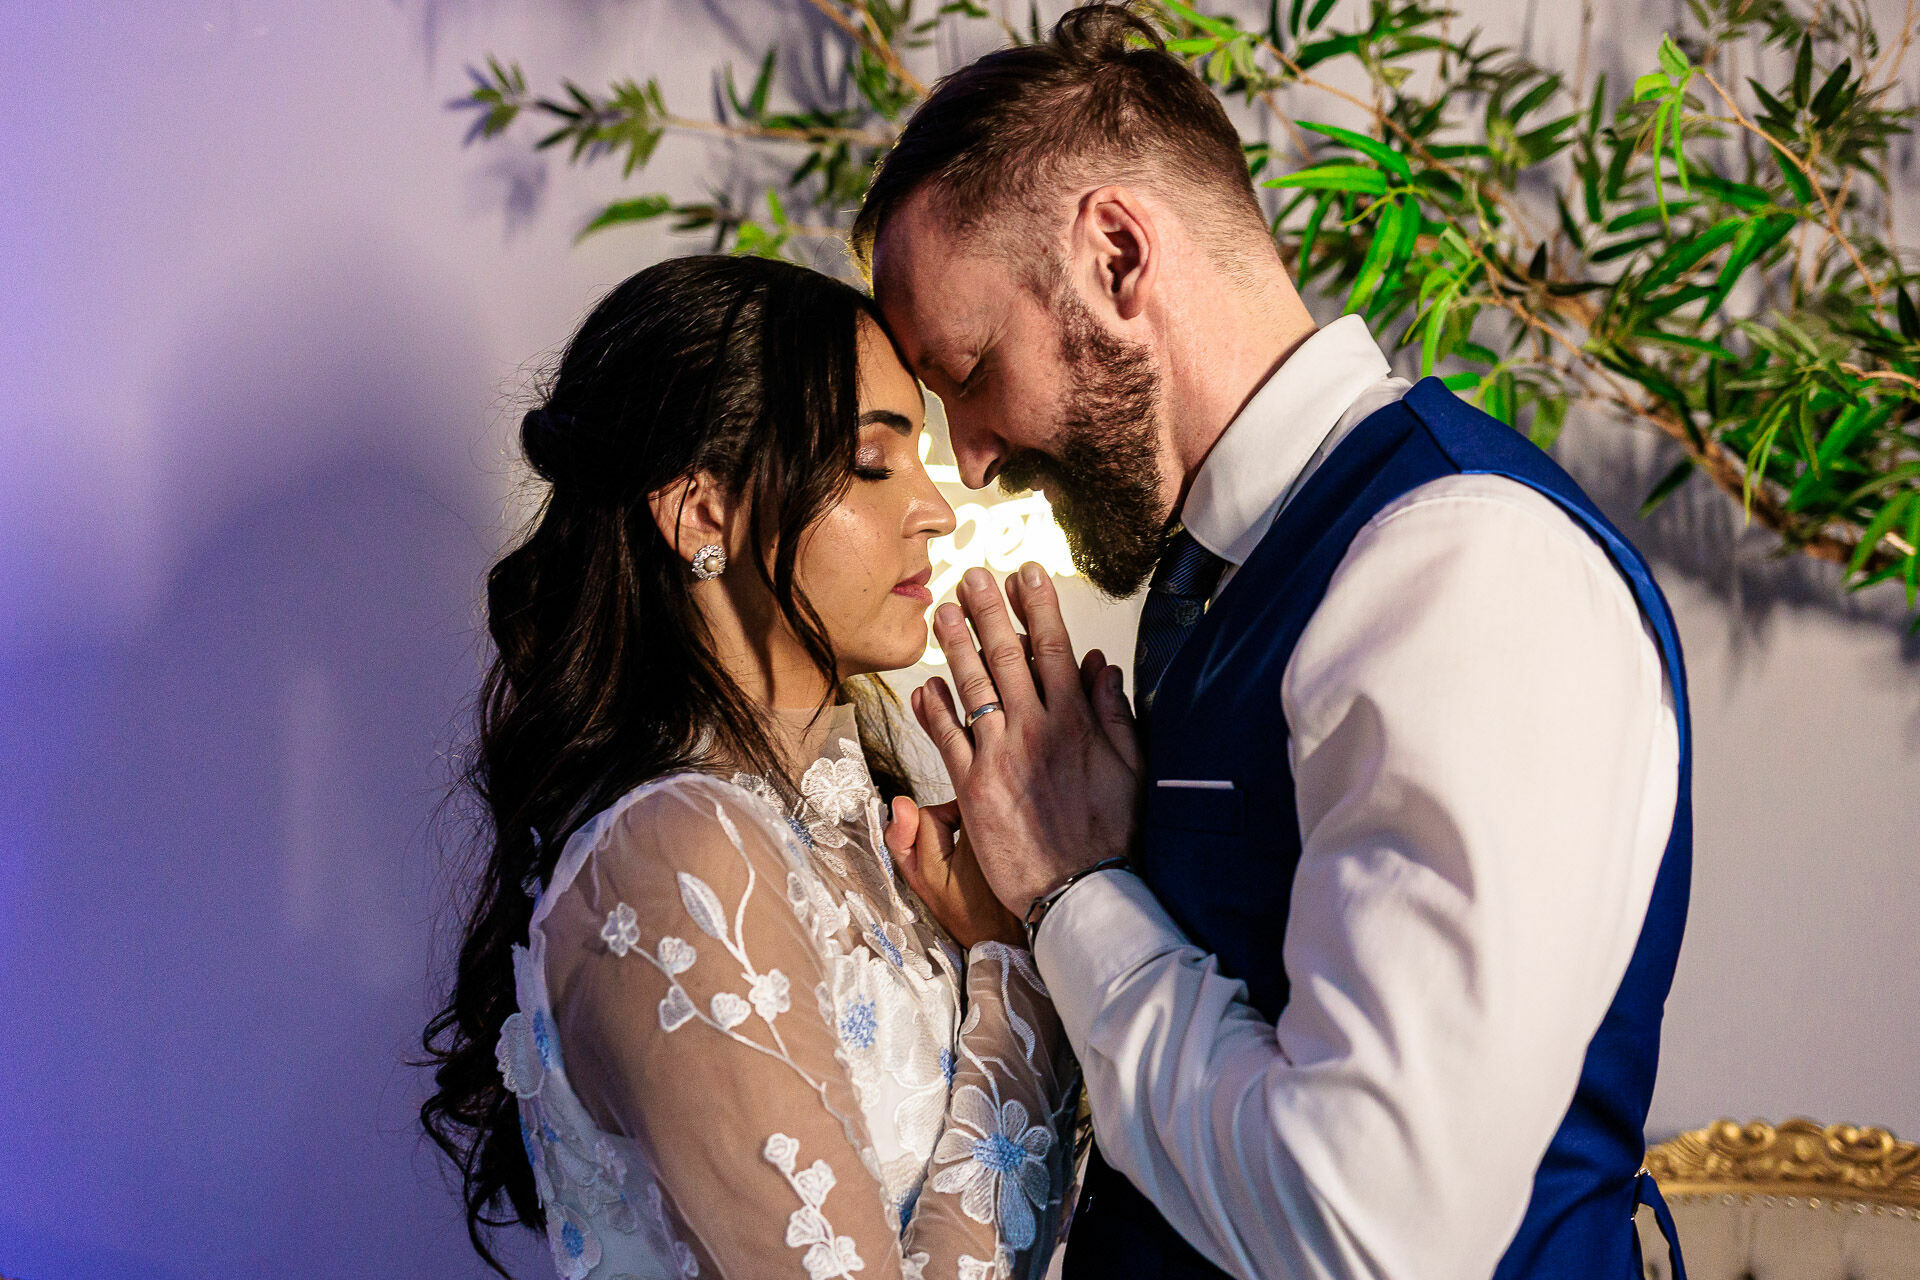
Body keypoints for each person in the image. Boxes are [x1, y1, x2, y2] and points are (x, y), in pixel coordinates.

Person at [851, 5, 1693, 1279]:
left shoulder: (1459, 567)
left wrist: (1076, 894)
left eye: (968, 368)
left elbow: (1372, 1228)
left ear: (1119, 257)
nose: (967, 461)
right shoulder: (1228, 578)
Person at [420, 254, 1079, 1280]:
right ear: (703, 514)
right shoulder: (678, 851)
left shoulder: (864, 821)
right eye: (874, 463)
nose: (936, 508)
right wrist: (1016, 970)